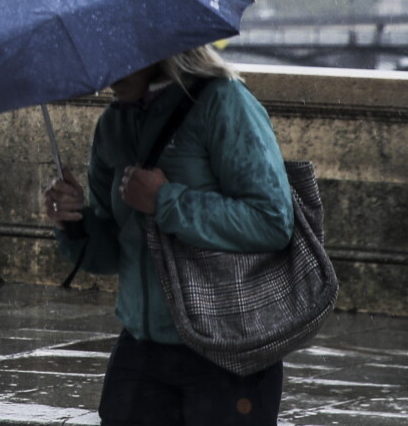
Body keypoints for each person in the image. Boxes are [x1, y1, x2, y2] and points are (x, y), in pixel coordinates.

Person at [43, 45, 296, 425]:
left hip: (225, 344)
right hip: (143, 344)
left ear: (161, 45)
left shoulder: (222, 102)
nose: (107, 70)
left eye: (121, 50)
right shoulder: (114, 125)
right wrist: (74, 222)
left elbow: (271, 221)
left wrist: (165, 201)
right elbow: (111, 254)